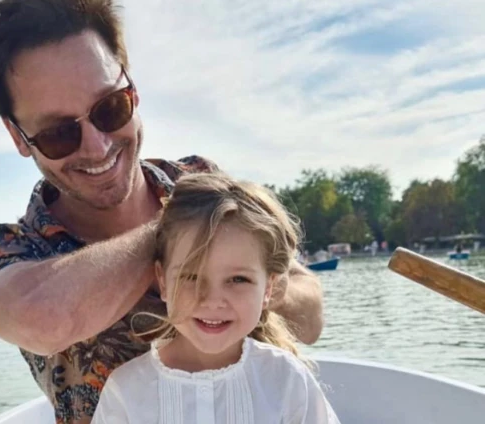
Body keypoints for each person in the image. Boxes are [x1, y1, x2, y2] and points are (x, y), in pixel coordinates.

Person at [0, 0, 324, 423]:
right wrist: (187, 232)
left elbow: (309, 317)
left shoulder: (199, 178)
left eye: (109, 108)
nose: (97, 147)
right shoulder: (7, 250)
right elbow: (45, 320)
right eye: (58, 133)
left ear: (131, 85)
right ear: (18, 137)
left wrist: (252, 282)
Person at [92, 173, 339, 423]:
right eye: (191, 277)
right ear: (163, 281)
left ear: (268, 288)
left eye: (238, 279)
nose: (212, 300)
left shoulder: (287, 380)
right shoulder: (126, 390)